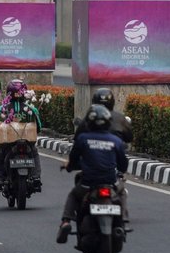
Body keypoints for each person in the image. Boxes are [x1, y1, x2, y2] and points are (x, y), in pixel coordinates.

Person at [56, 104, 128, 244]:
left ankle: (65, 222)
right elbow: (123, 164)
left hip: (88, 183)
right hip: (110, 182)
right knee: (121, 193)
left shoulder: (83, 139)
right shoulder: (116, 141)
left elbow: (74, 159)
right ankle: (122, 222)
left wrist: (69, 167)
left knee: (74, 195)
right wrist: (120, 172)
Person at [74, 88, 132, 221]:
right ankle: (123, 218)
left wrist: (72, 165)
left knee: (75, 193)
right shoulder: (116, 137)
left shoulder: (86, 131)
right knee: (121, 192)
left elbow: (76, 147)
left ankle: (67, 219)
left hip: (90, 177)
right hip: (111, 176)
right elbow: (124, 161)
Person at [0, 79, 43, 197]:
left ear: (8, 93)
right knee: (34, 154)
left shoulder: (2, 109)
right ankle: (36, 177)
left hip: (8, 144)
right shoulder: (31, 109)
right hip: (27, 143)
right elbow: (39, 126)